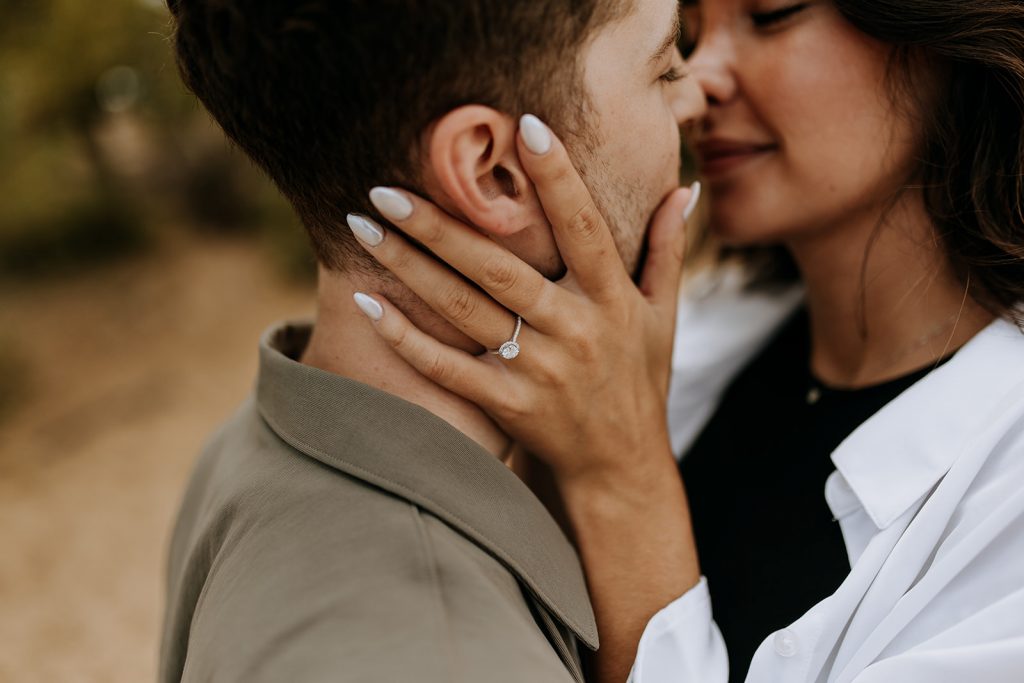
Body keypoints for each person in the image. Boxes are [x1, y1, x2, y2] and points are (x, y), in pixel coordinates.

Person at [353, 0, 1024, 682]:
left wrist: (622, 472)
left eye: (770, 14)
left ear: (942, 34)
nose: (696, 82)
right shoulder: (698, 326)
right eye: (690, 33)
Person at [159, 0, 705, 681]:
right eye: (665, 67)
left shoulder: (249, 447)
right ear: (494, 172)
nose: (696, 97)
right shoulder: (447, 655)